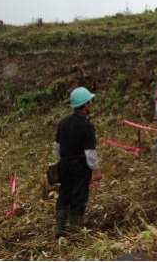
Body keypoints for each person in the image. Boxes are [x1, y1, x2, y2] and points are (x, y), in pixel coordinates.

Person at [53, 87, 102, 238]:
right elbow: (90, 152)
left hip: (64, 165)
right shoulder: (88, 126)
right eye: (90, 102)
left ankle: (60, 229)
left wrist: (60, 161)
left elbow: (56, 147)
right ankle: (75, 233)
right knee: (79, 196)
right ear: (86, 104)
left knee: (64, 194)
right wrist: (96, 170)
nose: (91, 104)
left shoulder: (63, 122)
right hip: (80, 166)